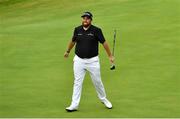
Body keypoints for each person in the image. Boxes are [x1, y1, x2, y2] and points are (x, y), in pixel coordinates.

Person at [64, 11, 114, 112]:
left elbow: (104, 43)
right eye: (84, 18)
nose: (85, 20)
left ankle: (103, 99)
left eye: (87, 18)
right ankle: (74, 104)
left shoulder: (96, 30)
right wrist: (67, 51)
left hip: (93, 61)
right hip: (79, 60)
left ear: (91, 20)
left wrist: (110, 56)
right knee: (77, 82)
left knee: (97, 82)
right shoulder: (77, 30)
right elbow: (73, 41)